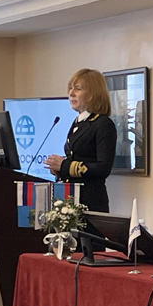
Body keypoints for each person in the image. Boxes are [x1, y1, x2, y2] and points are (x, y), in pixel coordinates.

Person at [44, 69, 116, 212]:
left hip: (90, 202)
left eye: (78, 88)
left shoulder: (103, 124)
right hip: (71, 200)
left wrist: (65, 166)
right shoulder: (79, 122)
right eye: (70, 88)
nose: (71, 93)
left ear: (93, 93)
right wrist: (59, 170)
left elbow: (103, 168)